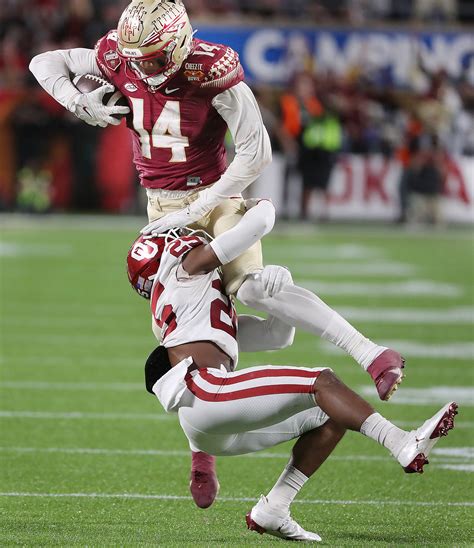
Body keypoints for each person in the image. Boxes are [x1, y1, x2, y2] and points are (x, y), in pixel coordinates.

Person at [30, 0, 404, 506]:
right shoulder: (122, 55)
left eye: (155, 59)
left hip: (216, 195)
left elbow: (257, 150)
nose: (143, 69)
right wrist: (77, 100)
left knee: (253, 289)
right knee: (189, 326)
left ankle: (369, 353)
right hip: (161, 207)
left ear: (181, 45)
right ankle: (201, 454)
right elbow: (45, 62)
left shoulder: (211, 69)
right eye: (137, 58)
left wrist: (205, 203)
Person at [126, 199, 457, 542]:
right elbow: (258, 224)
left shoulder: (190, 300)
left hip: (205, 425)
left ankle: (274, 507)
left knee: (329, 414)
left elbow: (276, 335)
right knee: (322, 382)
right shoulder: (188, 267)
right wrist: (250, 202)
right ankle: (401, 442)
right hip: (207, 390)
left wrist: (278, 282)